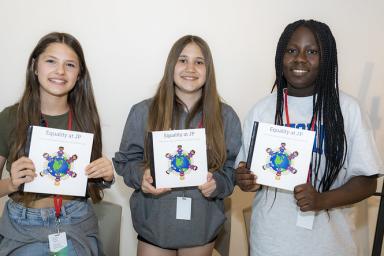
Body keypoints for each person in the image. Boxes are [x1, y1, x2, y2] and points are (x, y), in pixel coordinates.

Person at [236, 19, 383, 256]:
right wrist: (244, 179)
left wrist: (322, 200)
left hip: (329, 246)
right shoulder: (262, 110)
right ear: (280, 56)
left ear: (327, 59)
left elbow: (367, 182)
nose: (300, 58)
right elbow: (247, 172)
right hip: (270, 243)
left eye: (312, 51)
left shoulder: (347, 110)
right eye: (291, 50)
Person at [113, 35, 241, 256]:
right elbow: (126, 161)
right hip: (155, 224)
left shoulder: (226, 116)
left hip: (202, 225)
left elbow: (232, 169)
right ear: (171, 65)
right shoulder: (143, 112)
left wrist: (218, 183)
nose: (190, 68)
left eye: (199, 62)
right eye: (182, 60)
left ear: (208, 69)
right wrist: (141, 176)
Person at [0, 32, 114, 256]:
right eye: (51, 61)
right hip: (23, 227)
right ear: (35, 66)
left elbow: (89, 186)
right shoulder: (9, 118)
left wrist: (105, 177)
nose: (60, 71)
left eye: (70, 64)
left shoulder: (86, 119)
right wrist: (11, 184)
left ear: (79, 74)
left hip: (76, 220)